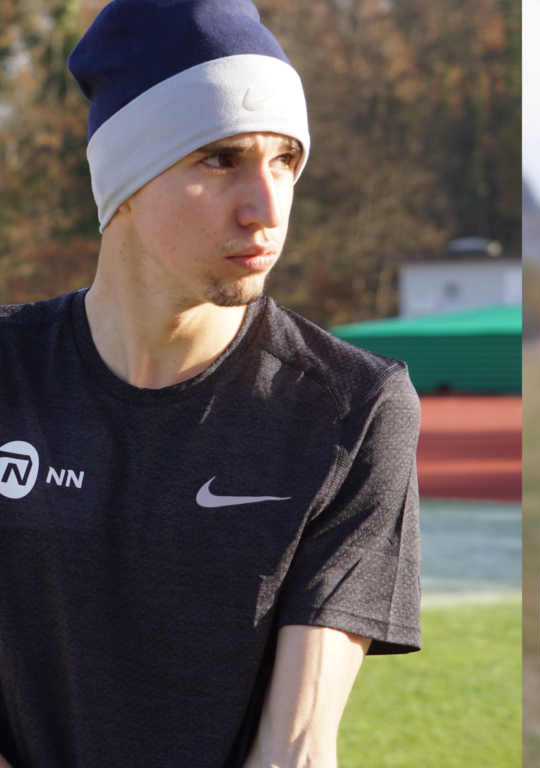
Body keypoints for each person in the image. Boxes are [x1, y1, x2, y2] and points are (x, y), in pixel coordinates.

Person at [0, 1, 420, 766]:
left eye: (285, 160)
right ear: (123, 176)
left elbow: (293, 749)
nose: (266, 209)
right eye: (220, 158)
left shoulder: (349, 409)